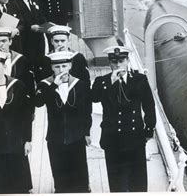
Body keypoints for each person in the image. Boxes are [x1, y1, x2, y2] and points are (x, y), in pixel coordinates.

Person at [91, 46, 156, 192]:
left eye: (121, 60)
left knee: (138, 183)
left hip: (135, 138)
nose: (118, 64)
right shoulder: (102, 81)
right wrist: (111, 81)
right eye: (114, 61)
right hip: (112, 139)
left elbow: (149, 105)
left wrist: (149, 129)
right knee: (116, 184)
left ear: (127, 61)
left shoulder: (139, 79)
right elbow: (93, 98)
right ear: (109, 63)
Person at [35, 51, 92, 193]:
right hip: (56, 137)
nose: (61, 70)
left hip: (76, 136)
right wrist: (54, 85)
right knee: (60, 175)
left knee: (79, 173)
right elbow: (38, 103)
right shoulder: (45, 84)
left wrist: (86, 132)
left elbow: (86, 111)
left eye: (64, 66)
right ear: (52, 68)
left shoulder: (80, 85)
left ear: (70, 66)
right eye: (57, 67)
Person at [0, 51, 33, 194]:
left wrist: (28, 140)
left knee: (20, 182)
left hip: (16, 140)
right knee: (0, 184)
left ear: (4, 67)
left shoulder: (17, 86)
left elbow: (26, 116)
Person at [0, 27, 35, 117]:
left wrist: (31, 110)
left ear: (10, 42)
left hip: (17, 105)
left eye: (4, 41)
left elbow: (29, 86)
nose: (1, 45)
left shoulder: (21, 60)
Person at [15, 0, 47, 71]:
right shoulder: (16, 4)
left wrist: (47, 25)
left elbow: (40, 16)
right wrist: (30, 28)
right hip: (27, 41)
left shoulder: (35, 0)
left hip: (39, 39)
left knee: (40, 65)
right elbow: (19, 22)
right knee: (29, 66)